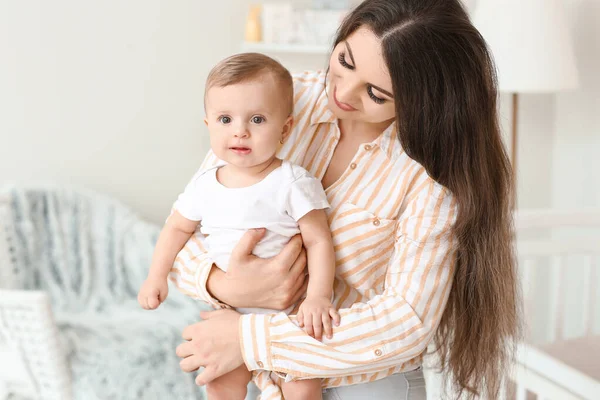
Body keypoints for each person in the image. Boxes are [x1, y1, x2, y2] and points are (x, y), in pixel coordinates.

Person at [172, 0, 521, 399]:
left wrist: (249, 338)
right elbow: (184, 231)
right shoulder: (275, 101)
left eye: (375, 93)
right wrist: (226, 287)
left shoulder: (429, 177)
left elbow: (406, 321)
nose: (342, 92)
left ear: (422, 103)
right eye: (345, 61)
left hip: (365, 381)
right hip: (259, 372)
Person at [138, 53, 340, 400]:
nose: (240, 131)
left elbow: (319, 241)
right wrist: (156, 276)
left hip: (290, 317)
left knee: (303, 390)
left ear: (285, 128)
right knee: (218, 384)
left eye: (257, 119)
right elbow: (175, 229)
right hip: (228, 312)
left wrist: (319, 297)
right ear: (208, 126)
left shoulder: (292, 182)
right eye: (225, 119)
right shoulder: (204, 185)